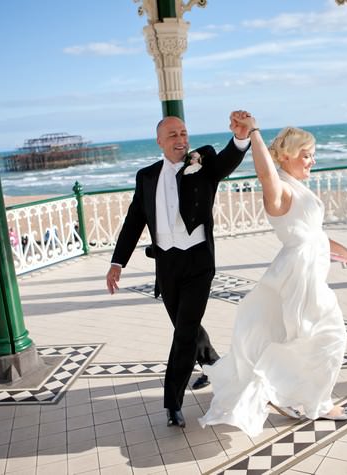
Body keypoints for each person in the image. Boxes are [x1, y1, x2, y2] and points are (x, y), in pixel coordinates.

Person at [199, 117, 347, 437]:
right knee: (327, 338)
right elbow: (264, 174)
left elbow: (316, 235)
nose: (312, 160)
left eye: (313, 154)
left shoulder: (298, 187)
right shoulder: (281, 189)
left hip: (309, 270)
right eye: (307, 154)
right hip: (299, 276)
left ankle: (288, 395)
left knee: (300, 338)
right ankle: (316, 404)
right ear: (285, 156)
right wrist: (255, 134)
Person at [106, 111, 252, 428]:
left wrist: (241, 138)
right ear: (159, 141)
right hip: (168, 266)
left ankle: (172, 402)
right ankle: (211, 359)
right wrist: (117, 262)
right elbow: (134, 221)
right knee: (186, 325)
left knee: (184, 332)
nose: (180, 140)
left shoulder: (204, 163)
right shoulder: (146, 176)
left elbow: (227, 160)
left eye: (184, 133)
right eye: (172, 135)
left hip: (199, 263)